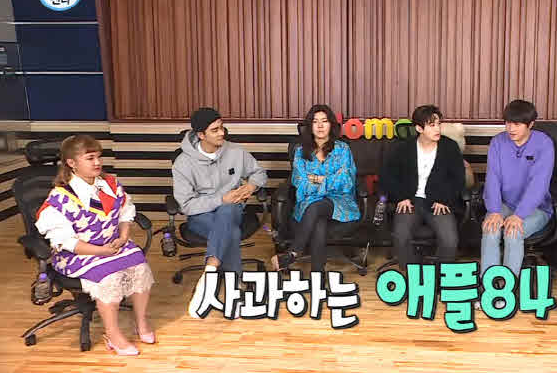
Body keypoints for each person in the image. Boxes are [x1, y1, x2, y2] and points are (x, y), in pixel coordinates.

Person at [36, 135, 155, 356]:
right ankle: (113, 335)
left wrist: (124, 236)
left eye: (98, 157)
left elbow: (126, 212)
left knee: (140, 266)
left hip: (113, 245)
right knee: (109, 277)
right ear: (72, 163)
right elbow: (66, 242)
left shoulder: (109, 184)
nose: (97, 162)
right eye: (90, 158)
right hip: (78, 254)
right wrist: (101, 251)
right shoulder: (60, 197)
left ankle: (141, 322)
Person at [172, 107, 267, 318]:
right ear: (201, 135)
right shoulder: (183, 163)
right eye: (215, 130)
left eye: (222, 127)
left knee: (228, 211)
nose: (222, 133)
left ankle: (210, 271)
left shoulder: (236, 152)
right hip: (201, 216)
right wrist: (220, 199)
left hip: (233, 210)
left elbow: (259, 173)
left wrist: (251, 186)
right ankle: (236, 286)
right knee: (230, 231)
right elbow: (186, 205)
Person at [271, 104, 360, 272]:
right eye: (315, 122)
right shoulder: (300, 151)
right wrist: (328, 181)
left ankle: (293, 253)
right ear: (309, 126)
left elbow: (346, 181)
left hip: (339, 203)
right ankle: (317, 274)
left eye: (324, 121)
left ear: (331, 125)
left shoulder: (343, 149)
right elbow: (300, 182)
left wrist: (316, 180)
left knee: (317, 206)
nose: (320, 126)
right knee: (319, 220)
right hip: (308, 204)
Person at [380, 105, 465, 269]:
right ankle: (412, 274)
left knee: (450, 240)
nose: (437, 129)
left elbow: (458, 179)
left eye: (438, 124)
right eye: (432, 125)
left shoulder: (450, 147)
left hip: (438, 202)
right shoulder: (403, 148)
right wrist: (401, 197)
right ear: (419, 128)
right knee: (401, 236)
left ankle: (439, 275)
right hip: (410, 201)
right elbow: (387, 176)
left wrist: (444, 199)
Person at [480, 100, 554, 281]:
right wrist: (494, 211)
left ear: (531, 124)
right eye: (507, 123)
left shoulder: (544, 143)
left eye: (517, 124)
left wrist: (519, 215)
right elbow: (493, 178)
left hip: (536, 209)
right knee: (490, 230)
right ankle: (488, 284)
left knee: (512, 233)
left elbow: (539, 184)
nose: (511, 129)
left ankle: (508, 286)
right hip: (504, 204)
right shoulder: (497, 142)